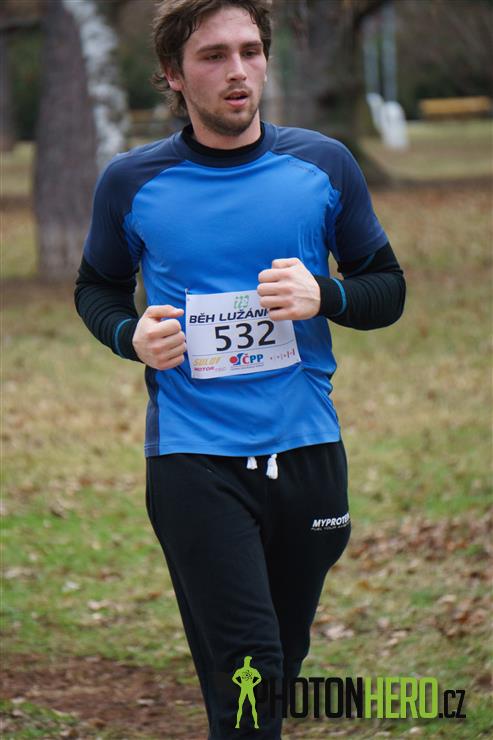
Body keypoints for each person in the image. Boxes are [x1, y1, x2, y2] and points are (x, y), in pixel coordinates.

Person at [74, 1, 406, 737]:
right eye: (213, 55)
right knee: (247, 671)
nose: (238, 71)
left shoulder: (322, 164)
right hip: (194, 459)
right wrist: (130, 335)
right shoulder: (132, 181)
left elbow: (387, 289)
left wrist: (326, 295)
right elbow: (95, 287)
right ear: (172, 74)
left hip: (308, 449)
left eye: (250, 51)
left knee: (278, 669)